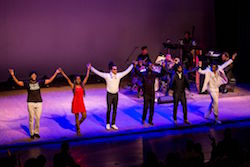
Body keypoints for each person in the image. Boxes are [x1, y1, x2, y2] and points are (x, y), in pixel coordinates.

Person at [8, 68, 60, 139]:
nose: (34, 76)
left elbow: (50, 80)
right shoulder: (27, 83)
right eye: (32, 75)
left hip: (39, 102)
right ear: (30, 76)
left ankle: (36, 132)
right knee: (31, 118)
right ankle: (32, 133)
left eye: (35, 75)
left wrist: (56, 73)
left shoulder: (39, 82)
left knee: (38, 118)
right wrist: (13, 75)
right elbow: (18, 82)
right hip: (30, 102)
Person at [91, 62, 134, 130]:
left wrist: (132, 65)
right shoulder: (107, 76)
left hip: (116, 95)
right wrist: (91, 68)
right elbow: (99, 73)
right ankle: (108, 123)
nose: (116, 70)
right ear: (111, 70)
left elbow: (126, 71)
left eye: (116, 69)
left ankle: (113, 124)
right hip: (109, 95)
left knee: (115, 110)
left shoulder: (119, 75)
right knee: (109, 109)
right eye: (114, 69)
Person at [198, 54, 236, 124]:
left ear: (216, 67)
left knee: (213, 102)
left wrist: (232, 59)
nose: (213, 69)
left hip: (216, 88)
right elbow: (200, 72)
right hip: (211, 89)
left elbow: (226, 64)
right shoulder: (208, 70)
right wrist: (199, 66)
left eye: (214, 67)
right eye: (212, 67)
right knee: (216, 102)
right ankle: (216, 117)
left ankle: (207, 114)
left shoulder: (219, 69)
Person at [59, 64, 91, 136]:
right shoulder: (73, 86)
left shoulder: (82, 85)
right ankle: (78, 130)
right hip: (75, 102)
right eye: (77, 79)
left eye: (79, 79)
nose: (78, 80)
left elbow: (87, 77)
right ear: (75, 80)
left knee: (84, 116)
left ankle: (77, 124)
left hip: (81, 103)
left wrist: (88, 69)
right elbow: (67, 79)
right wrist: (62, 72)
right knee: (76, 117)